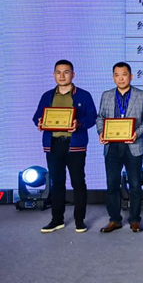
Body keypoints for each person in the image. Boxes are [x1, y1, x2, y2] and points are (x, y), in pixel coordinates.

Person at [33, 60, 97, 233]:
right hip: (53, 145)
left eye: (66, 72)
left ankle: (79, 221)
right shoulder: (47, 96)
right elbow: (37, 116)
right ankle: (57, 220)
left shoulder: (83, 95)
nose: (62, 76)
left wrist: (79, 123)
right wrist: (40, 121)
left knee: (78, 182)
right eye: (58, 72)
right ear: (54, 75)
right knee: (57, 183)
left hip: (75, 145)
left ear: (73, 74)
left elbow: (92, 117)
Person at [96, 62, 143, 233]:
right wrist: (101, 132)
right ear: (113, 77)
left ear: (131, 76)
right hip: (111, 146)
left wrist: (137, 133)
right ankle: (115, 220)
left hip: (133, 145)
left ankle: (135, 220)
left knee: (135, 185)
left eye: (124, 75)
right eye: (117, 75)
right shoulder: (106, 95)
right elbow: (100, 118)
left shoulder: (142, 95)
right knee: (112, 184)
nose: (121, 78)